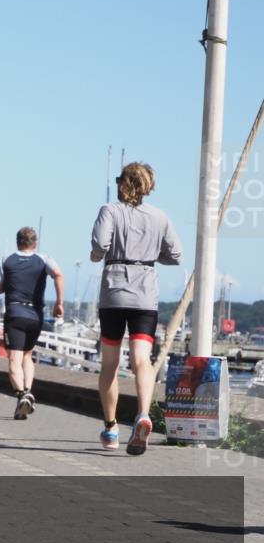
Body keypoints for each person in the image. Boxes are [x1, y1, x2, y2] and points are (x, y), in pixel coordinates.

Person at [90, 162, 181, 454]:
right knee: (142, 359)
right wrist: (150, 256)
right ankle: (143, 414)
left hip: (114, 293)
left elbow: (99, 245)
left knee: (110, 363)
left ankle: (110, 428)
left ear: (123, 183)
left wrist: (96, 255)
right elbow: (176, 254)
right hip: (145, 295)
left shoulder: (110, 210)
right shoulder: (160, 217)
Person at [0, 227, 65, 420]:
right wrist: (59, 302)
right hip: (35, 315)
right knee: (27, 355)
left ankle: (22, 395)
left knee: (14, 360)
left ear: (17, 242)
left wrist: (11, 282)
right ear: (35, 243)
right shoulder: (44, 259)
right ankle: (26, 395)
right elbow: (58, 274)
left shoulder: (6, 260)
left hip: (15, 313)